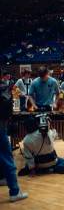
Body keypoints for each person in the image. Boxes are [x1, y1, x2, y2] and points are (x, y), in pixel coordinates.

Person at [0, 69, 28, 202]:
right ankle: (14, 192)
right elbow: (7, 110)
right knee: (7, 156)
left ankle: (2, 178)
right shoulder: (4, 88)